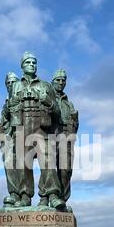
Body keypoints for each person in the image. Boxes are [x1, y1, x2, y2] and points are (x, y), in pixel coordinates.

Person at [8, 52, 65, 209]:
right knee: (24, 165)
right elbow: (10, 109)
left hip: (41, 129)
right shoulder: (16, 86)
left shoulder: (45, 86)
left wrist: (49, 103)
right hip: (22, 128)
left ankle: (52, 195)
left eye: (34, 62)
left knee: (47, 162)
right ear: (22, 66)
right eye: (28, 62)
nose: (32, 65)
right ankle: (25, 196)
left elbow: (58, 113)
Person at [51, 69, 78, 204]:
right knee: (50, 169)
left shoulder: (69, 104)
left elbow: (75, 124)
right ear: (53, 81)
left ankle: (62, 200)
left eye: (63, 80)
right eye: (58, 80)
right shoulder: (48, 98)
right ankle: (51, 197)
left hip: (67, 137)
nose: (61, 83)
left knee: (66, 170)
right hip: (51, 135)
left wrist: (74, 122)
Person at [0, 72, 21, 208]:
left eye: (13, 82)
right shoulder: (6, 102)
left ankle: (47, 196)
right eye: (8, 83)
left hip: (28, 135)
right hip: (9, 137)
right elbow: (3, 122)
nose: (11, 85)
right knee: (9, 161)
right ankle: (14, 194)